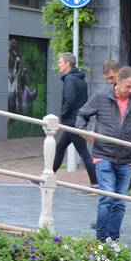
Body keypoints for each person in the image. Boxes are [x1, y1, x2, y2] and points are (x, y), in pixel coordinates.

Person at [75, 67, 131, 242]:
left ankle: (114, 240)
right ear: (118, 82)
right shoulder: (101, 97)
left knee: (119, 202)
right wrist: (84, 132)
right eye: (128, 86)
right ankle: (101, 240)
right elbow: (82, 115)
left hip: (126, 158)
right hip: (103, 154)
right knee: (108, 197)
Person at [49, 52, 98, 188]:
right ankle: (48, 176)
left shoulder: (70, 79)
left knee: (84, 153)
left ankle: (96, 183)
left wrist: (63, 115)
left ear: (67, 64)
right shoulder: (80, 79)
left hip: (72, 122)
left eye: (60, 62)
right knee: (60, 148)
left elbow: (70, 100)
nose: (58, 64)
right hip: (77, 121)